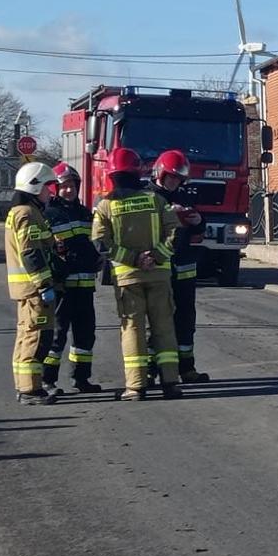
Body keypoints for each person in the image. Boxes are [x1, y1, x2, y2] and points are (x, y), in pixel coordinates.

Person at [91, 147, 183, 401]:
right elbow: (175, 233)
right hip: (159, 276)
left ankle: (136, 386)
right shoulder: (157, 201)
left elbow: (100, 243)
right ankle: (170, 383)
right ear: (138, 173)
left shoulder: (105, 206)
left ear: (112, 174)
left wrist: (134, 259)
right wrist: (156, 256)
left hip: (128, 279)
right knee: (164, 327)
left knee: (132, 329)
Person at [41, 162, 103, 394]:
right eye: (63, 186)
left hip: (85, 286)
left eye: (72, 185)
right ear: (55, 188)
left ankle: (81, 379)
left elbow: (93, 243)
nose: (68, 190)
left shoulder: (85, 213)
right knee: (56, 337)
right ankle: (48, 381)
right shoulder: (48, 215)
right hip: (62, 288)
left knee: (85, 335)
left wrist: (98, 258)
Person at [4, 162, 61, 406]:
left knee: (26, 336)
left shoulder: (22, 212)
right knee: (36, 338)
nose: (51, 192)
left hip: (27, 289)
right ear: (35, 187)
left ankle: (26, 386)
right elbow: (30, 253)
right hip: (34, 289)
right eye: (49, 187)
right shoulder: (27, 214)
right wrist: (44, 284)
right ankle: (30, 390)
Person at [150, 150, 210, 383]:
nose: (174, 183)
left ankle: (187, 368)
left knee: (185, 319)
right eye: (171, 178)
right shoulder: (149, 197)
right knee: (156, 318)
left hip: (184, 267)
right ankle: (150, 370)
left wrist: (197, 222)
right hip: (158, 268)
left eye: (178, 179)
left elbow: (197, 230)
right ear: (160, 174)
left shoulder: (184, 197)